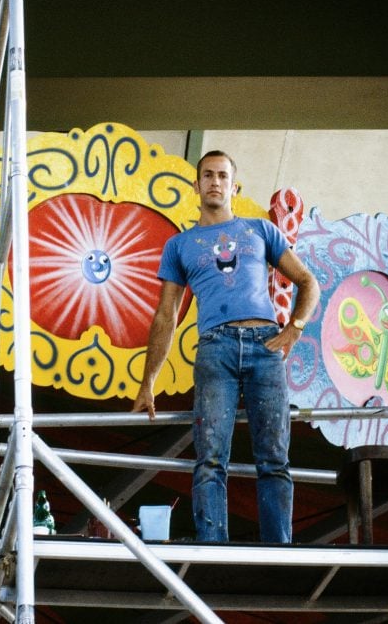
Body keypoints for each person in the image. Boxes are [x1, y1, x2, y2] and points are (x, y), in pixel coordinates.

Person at [131, 150, 320, 543]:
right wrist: (148, 381)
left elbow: (308, 281)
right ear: (196, 185)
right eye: (207, 175)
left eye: (222, 176)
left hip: (264, 346)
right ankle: (212, 547)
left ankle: (279, 550)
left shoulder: (260, 230)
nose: (214, 182)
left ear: (234, 186)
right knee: (211, 457)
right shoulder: (179, 244)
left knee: (274, 456)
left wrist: (295, 328)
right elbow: (165, 316)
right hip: (215, 348)